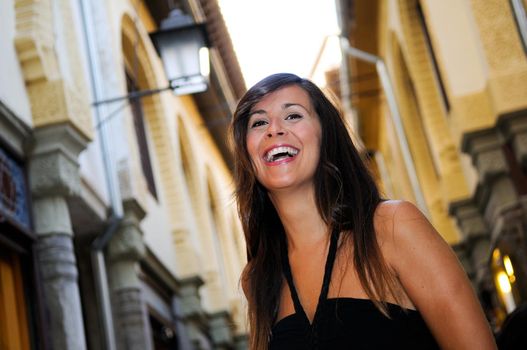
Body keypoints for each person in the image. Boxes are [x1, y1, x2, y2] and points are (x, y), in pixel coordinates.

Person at [230, 73, 496, 350]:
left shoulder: (392, 226)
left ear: (326, 135)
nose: (274, 129)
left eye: (293, 115)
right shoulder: (258, 278)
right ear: (247, 153)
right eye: (259, 122)